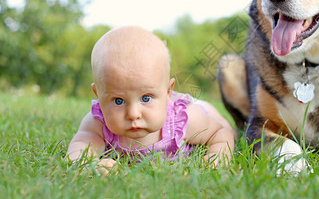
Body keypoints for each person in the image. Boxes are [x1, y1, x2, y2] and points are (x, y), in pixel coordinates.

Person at [66, 26, 235, 174]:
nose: (133, 114)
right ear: (98, 94)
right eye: (118, 101)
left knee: (226, 126)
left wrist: (218, 155)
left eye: (145, 98)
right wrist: (87, 164)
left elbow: (219, 133)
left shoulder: (184, 120)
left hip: (200, 109)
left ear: (168, 91)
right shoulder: (98, 122)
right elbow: (80, 145)